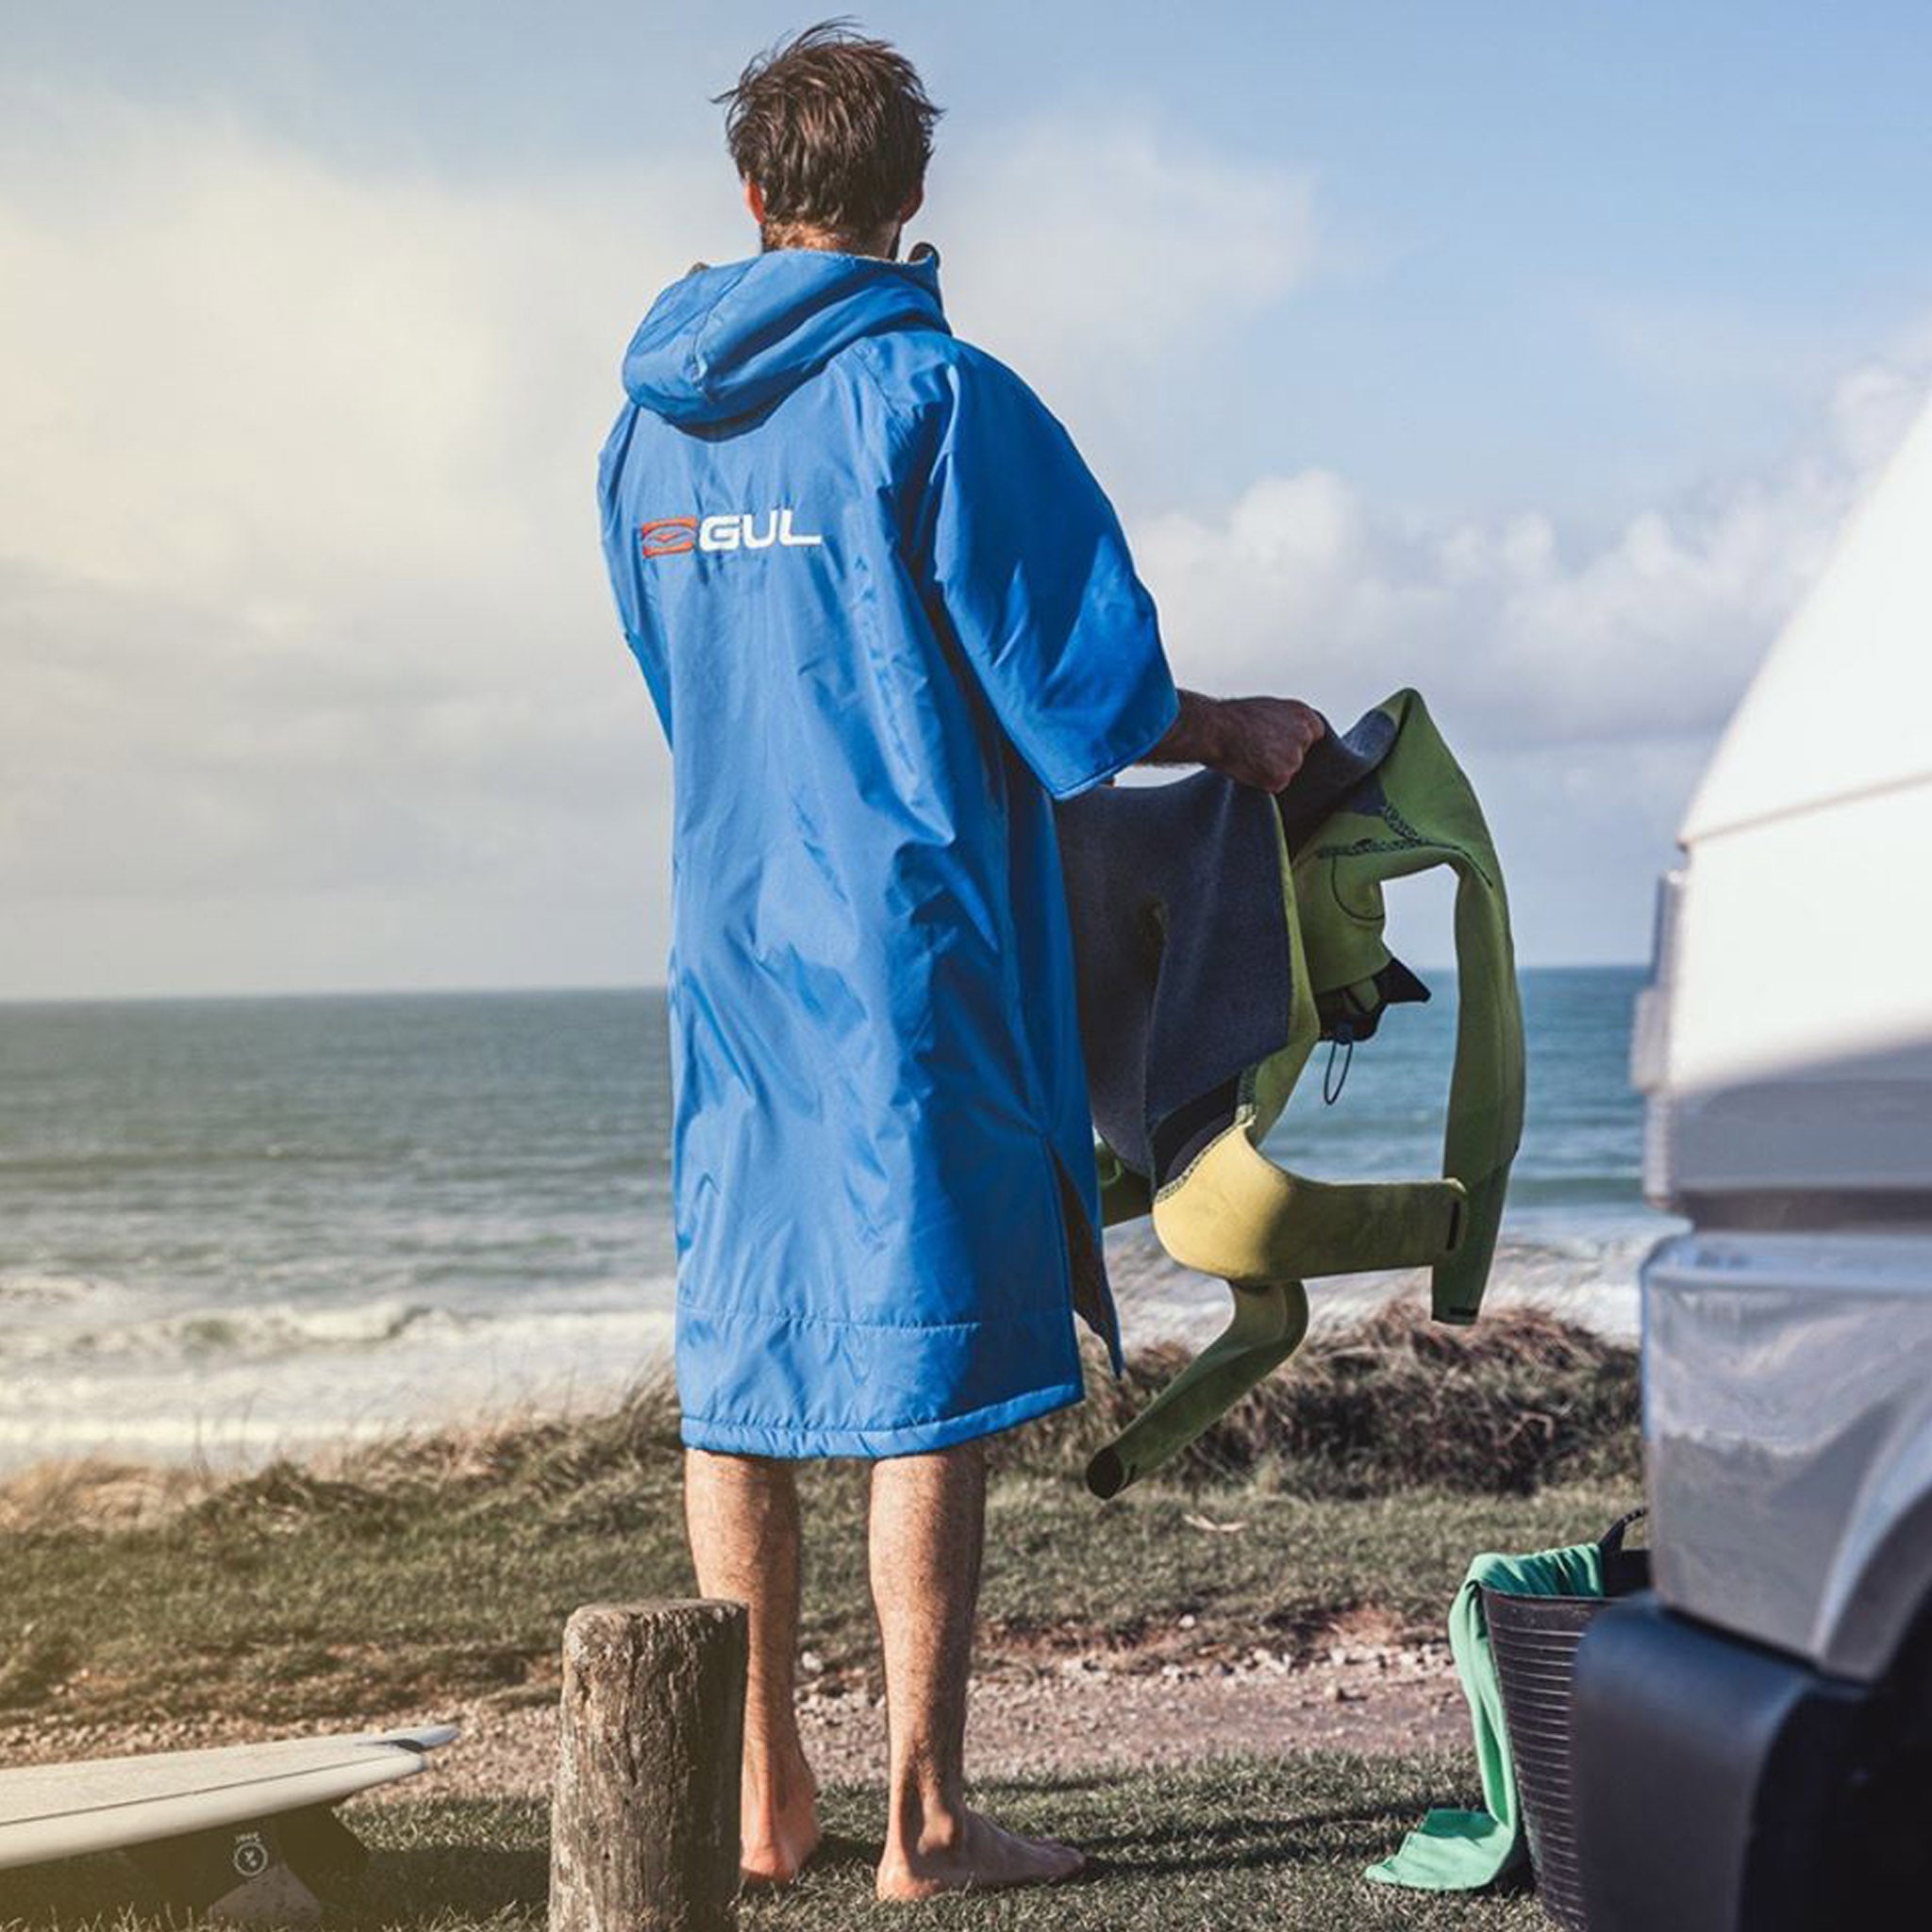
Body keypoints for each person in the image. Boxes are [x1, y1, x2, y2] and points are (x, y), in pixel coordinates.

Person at [596, 21, 1324, 1901]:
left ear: (750, 198)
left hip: (731, 948)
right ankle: (922, 1818)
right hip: (909, 952)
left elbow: (681, 677)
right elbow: (1077, 688)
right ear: (911, 198)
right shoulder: (938, 398)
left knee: (745, 1367)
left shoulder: (645, 429)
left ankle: (762, 1799)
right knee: (922, 1365)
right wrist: (1231, 728)